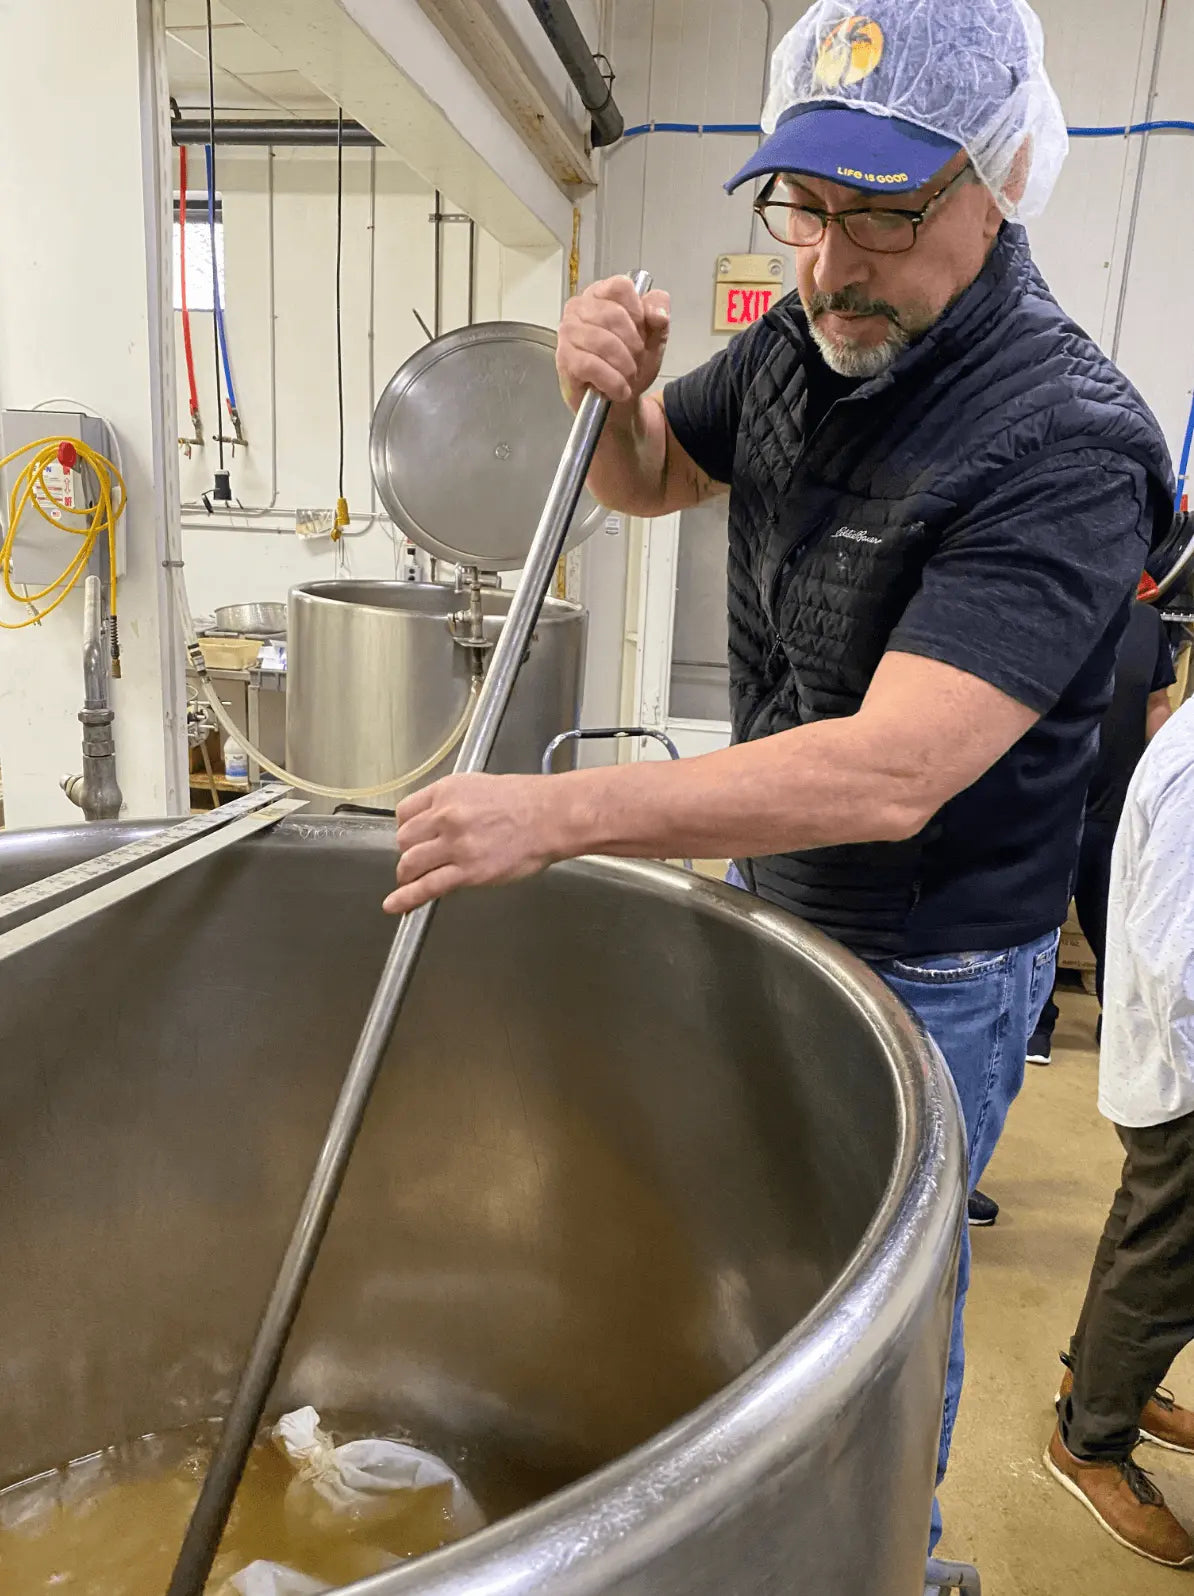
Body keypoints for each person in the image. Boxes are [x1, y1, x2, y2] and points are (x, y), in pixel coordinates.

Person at [385, 0, 1175, 1557]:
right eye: (804, 210)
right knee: (756, 1253)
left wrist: (553, 816)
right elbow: (647, 478)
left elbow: (891, 774)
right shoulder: (803, 338)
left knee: (879, 1310)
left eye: (881, 216)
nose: (828, 264)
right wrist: (596, 390)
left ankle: (885, 1551)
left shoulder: (1066, 442)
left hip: (937, 956)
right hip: (781, 897)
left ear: (1000, 179)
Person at [1046, 696, 1194, 1569]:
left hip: (1171, 1063)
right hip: (1183, 1074)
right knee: (1166, 1261)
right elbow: (1180, 958)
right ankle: (1090, 1444)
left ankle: (1098, 1386)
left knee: (1146, 1237)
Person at [1027, 590, 1175, 1064]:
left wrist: (1166, 778)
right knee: (1040, 921)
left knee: (1116, 925)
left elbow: (1156, 706)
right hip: (1051, 803)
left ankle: (1119, 1024)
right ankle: (1035, 1026)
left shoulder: (1148, 623)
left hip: (1116, 809)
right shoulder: (1050, 604)